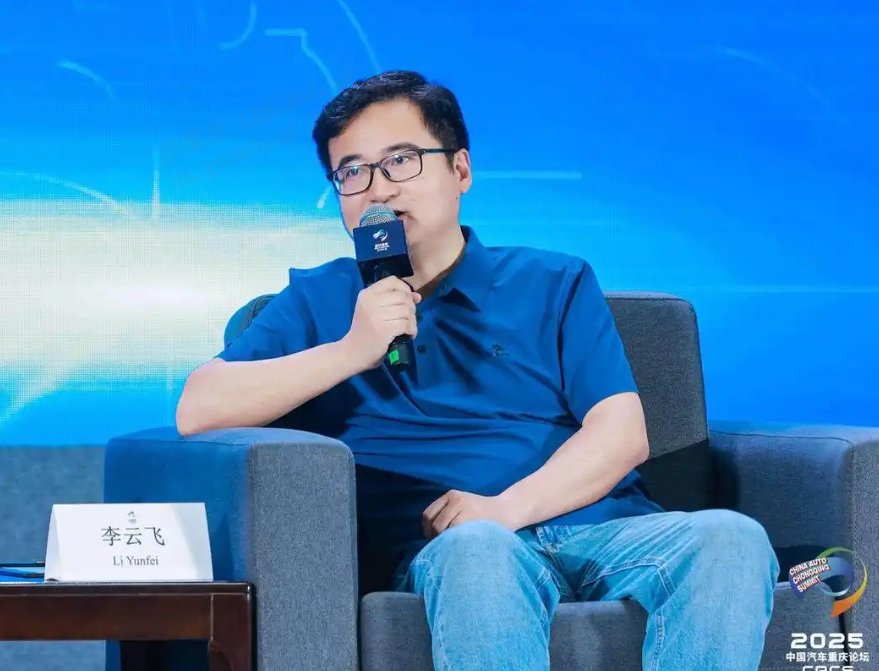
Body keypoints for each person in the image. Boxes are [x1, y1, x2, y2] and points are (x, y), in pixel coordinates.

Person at [176, 70, 780, 671]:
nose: (377, 189)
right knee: (479, 548)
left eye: (401, 161)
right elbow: (198, 409)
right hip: (455, 547)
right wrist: (350, 351)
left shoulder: (553, 282)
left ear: (460, 170)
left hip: (600, 530)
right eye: (352, 172)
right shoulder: (318, 299)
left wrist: (506, 508)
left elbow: (622, 434)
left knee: (731, 539)